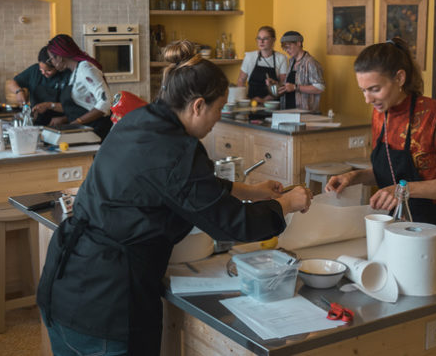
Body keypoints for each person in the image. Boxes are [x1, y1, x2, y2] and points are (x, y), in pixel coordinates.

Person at [36, 40, 312, 356]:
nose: (218, 118)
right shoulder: (178, 149)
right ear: (197, 105)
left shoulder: (138, 120)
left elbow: (181, 186)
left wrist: (252, 191)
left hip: (66, 282)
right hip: (108, 302)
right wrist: (286, 205)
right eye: (219, 108)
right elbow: (230, 224)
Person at [325, 37, 436, 235]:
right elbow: (388, 172)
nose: (368, 99)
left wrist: (403, 190)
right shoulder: (380, 112)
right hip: (388, 224)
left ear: (400, 78)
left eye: (375, 89)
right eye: (363, 91)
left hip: (427, 230)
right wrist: (354, 176)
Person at [43, 34, 113, 141]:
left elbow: (106, 102)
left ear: (59, 57)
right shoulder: (74, 72)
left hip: (98, 132)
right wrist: (65, 119)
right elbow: (86, 105)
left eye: (51, 59)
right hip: (86, 131)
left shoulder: (85, 68)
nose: (51, 63)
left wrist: (77, 122)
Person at [6, 46, 71, 126]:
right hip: (37, 123)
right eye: (41, 70)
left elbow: (73, 107)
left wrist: (64, 119)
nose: (43, 73)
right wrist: (18, 91)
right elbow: (11, 83)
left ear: (56, 66)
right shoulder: (34, 70)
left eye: (48, 71)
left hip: (60, 124)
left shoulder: (66, 75)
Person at [277, 30, 325, 112]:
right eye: (285, 48)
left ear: (299, 43)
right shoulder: (292, 61)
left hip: (306, 114)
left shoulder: (310, 62)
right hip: (288, 111)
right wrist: (276, 85)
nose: (287, 50)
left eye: (288, 47)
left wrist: (296, 87)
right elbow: (290, 85)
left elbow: (320, 88)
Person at [237, 26, 288, 102]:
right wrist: (246, 99)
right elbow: (241, 80)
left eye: (265, 38)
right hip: (252, 103)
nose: (261, 41)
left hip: (272, 103)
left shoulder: (281, 58)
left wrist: (266, 99)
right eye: (259, 38)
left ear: (273, 40)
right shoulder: (249, 57)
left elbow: (283, 84)